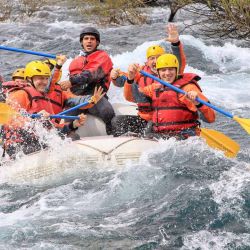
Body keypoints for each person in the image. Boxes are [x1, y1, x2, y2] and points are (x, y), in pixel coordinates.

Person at [2, 58, 104, 159]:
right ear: (29, 79)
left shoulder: (45, 98)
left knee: (70, 138)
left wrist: (72, 125)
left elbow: (51, 128)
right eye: (40, 78)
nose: (44, 82)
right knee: (52, 145)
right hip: (17, 145)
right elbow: (10, 120)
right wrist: (35, 119)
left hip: (37, 140)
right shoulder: (20, 94)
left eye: (46, 78)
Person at [111, 23, 186, 136]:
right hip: (144, 118)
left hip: (162, 119)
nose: (155, 61)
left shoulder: (170, 74)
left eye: (158, 58)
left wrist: (175, 44)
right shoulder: (141, 72)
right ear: (147, 61)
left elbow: (179, 62)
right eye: (152, 58)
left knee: (149, 129)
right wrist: (115, 76)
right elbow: (123, 80)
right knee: (117, 121)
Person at [136, 53, 216, 139]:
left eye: (171, 69)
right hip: (161, 135)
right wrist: (131, 78)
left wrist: (197, 103)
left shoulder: (187, 88)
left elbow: (210, 118)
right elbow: (135, 95)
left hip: (183, 135)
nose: (167, 73)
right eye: (163, 70)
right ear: (158, 73)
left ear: (176, 71)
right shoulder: (156, 87)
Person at [60, 27, 115, 135]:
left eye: (92, 39)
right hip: (77, 99)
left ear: (97, 42)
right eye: (86, 38)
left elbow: (92, 74)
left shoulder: (103, 57)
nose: (89, 41)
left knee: (108, 112)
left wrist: (72, 81)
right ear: (82, 42)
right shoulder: (76, 61)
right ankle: (69, 138)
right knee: (66, 123)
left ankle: (113, 134)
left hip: (96, 97)